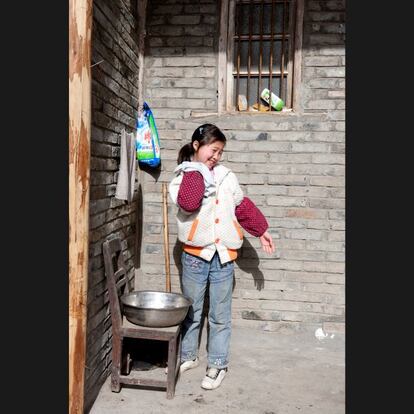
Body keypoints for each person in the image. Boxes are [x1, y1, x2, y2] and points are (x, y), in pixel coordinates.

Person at [168, 123, 275, 390]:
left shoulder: (227, 176)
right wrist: (197, 168)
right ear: (197, 146)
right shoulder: (183, 177)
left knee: (219, 314)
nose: (216, 157)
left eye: (220, 152)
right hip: (194, 254)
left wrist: (261, 230)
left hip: (224, 256)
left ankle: (217, 364)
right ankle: (188, 355)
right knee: (191, 311)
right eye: (212, 151)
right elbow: (189, 204)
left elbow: (241, 205)